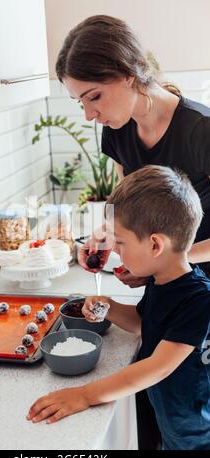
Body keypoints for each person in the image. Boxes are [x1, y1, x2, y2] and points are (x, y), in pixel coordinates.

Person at [27, 165, 210, 450]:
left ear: (155, 245)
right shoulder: (163, 279)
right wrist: (109, 306)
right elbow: (144, 324)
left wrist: (85, 395)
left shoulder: (199, 300)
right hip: (173, 427)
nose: (114, 250)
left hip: (196, 436)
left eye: (121, 242)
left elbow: (158, 367)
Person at [54, 15, 210, 285]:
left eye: (94, 96)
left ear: (129, 74)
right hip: (168, 284)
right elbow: (130, 211)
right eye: (81, 102)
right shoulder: (117, 131)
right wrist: (107, 236)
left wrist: (168, 262)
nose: (89, 114)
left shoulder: (201, 129)